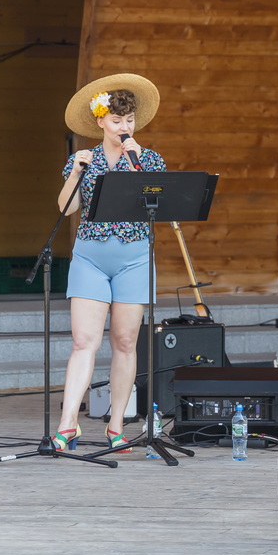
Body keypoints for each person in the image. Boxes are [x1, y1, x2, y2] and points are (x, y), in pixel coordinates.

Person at [53, 73, 165, 453]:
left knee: (125, 341)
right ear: (101, 121)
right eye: (117, 121)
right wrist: (75, 174)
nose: (124, 127)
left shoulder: (148, 159)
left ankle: (116, 424)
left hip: (134, 256)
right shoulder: (83, 159)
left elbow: (158, 206)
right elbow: (67, 209)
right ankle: (68, 423)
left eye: (129, 120)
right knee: (84, 341)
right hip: (91, 254)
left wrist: (137, 164)